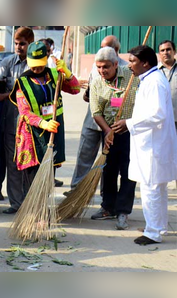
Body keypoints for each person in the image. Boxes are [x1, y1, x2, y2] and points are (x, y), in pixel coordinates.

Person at [112, 45, 177, 245]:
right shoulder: (149, 79)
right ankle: (158, 226)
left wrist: (128, 123)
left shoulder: (154, 82)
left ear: (145, 63)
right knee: (157, 188)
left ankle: (153, 232)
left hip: (153, 146)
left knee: (151, 188)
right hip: (151, 144)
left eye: (133, 61)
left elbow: (157, 114)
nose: (130, 65)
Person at [10, 41, 80, 199]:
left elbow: (75, 89)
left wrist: (67, 72)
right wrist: (43, 123)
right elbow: (25, 112)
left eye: (40, 65)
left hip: (53, 134)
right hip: (32, 137)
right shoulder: (22, 82)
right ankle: (34, 214)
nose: (36, 69)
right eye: (33, 65)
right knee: (33, 179)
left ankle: (42, 211)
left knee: (48, 176)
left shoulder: (55, 75)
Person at [64, 35, 128, 196]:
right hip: (93, 120)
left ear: (116, 50)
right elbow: (89, 93)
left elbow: (125, 99)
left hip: (113, 124)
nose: (102, 70)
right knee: (84, 154)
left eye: (106, 47)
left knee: (108, 161)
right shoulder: (96, 66)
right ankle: (76, 190)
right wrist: (88, 95)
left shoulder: (126, 70)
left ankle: (105, 197)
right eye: (101, 47)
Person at [0, 26, 34, 214]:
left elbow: (30, 90)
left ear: (31, 44)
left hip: (32, 116)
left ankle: (31, 201)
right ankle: (16, 203)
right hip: (12, 115)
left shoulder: (38, 63)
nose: (19, 47)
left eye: (23, 44)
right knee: (12, 159)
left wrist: (4, 96)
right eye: (16, 43)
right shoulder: (8, 61)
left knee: (29, 162)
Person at [89, 47, 139, 230]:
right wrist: (108, 131)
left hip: (130, 132)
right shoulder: (96, 83)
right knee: (108, 171)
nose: (102, 71)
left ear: (116, 64)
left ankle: (123, 211)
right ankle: (108, 207)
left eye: (106, 67)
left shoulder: (131, 75)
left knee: (128, 172)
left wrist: (128, 123)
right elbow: (96, 112)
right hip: (108, 131)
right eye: (99, 67)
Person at [158, 40, 177, 131]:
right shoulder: (154, 72)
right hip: (161, 122)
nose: (165, 52)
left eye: (168, 49)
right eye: (162, 50)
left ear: (174, 51)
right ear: (159, 54)